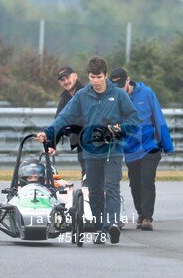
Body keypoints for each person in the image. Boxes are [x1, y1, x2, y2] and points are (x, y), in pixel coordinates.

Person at [36, 56, 139, 244]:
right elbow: (64, 117)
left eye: (99, 77)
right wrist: (48, 132)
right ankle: (99, 228)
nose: (95, 81)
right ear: (88, 76)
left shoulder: (119, 94)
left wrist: (120, 129)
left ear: (105, 76)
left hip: (112, 150)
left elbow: (134, 120)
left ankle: (112, 224)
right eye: (92, 77)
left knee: (112, 187)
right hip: (90, 151)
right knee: (95, 191)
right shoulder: (82, 95)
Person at [110, 68, 174, 232]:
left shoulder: (146, 93)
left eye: (121, 85)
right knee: (135, 184)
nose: (119, 89)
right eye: (115, 86)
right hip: (130, 149)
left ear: (128, 80)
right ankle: (140, 213)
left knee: (147, 181)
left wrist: (167, 145)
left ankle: (147, 217)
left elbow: (159, 117)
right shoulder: (115, 97)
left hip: (149, 147)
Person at [55, 65, 86, 180]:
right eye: (62, 80)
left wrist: (71, 126)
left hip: (94, 139)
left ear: (75, 76)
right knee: (86, 173)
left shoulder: (87, 92)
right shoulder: (64, 97)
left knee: (94, 173)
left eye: (67, 78)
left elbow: (89, 117)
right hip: (78, 140)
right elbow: (58, 120)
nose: (66, 82)